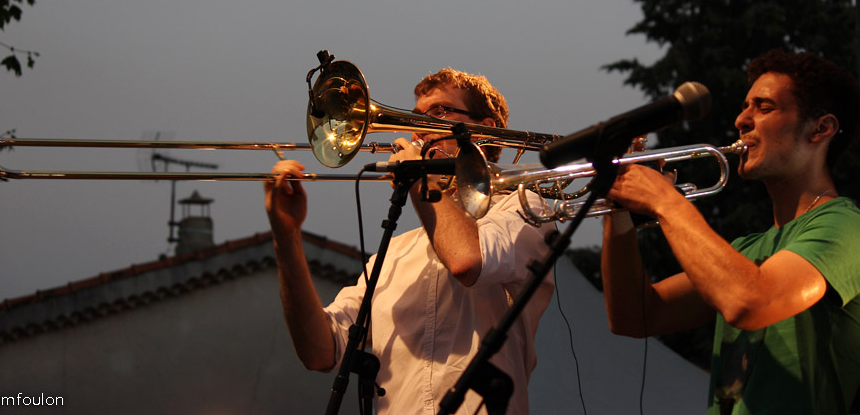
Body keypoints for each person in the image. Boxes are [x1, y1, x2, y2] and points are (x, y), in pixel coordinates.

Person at [265, 68, 556, 415]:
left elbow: (467, 259)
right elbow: (319, 351)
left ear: (485, 130)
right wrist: (286, 237)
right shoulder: (392, 255)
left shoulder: (524, 208)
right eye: (416, 117)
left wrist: (421, 182)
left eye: (439, 113)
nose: (419, 128)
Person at [601, 48, 860, 414]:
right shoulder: (747, 250)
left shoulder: (846, 225)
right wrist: (619, 210)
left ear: (821, 129)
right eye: (745, 106)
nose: (741, 119)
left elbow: (751, 301)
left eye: (764, 107)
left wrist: (666, 202)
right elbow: (635, 315)